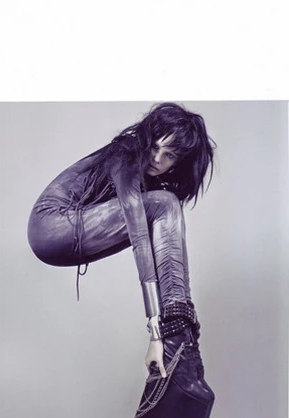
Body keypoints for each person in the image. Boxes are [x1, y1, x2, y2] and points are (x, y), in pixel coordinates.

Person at [27, 102, 215, 391]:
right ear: (146, 139)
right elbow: (139, 238)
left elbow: (158, 249)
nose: (157, 159)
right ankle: (176, 332)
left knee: (162, 214)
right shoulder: (126, 154)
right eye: (155, 147)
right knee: (164, 205)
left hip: (68, 237)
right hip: (52, 226)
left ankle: (180, 334)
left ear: (179, 162)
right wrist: (156, 333)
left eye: (169, 155)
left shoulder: (151, 181)